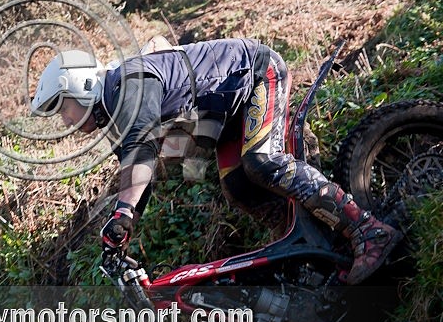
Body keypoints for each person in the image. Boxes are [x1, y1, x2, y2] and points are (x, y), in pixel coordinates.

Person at [30, 37, 401, 285]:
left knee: (262, 161)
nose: (65, 120)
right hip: (227, 112)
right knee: (238, 187)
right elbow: (137, 176)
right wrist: (123, 226)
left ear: (82, 86)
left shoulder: (127, 82)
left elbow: (142, 151)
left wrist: (122, 213)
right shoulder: (114, 113)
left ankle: (367, 230)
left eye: (63, 108)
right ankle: (315, 246)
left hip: (256, 73)